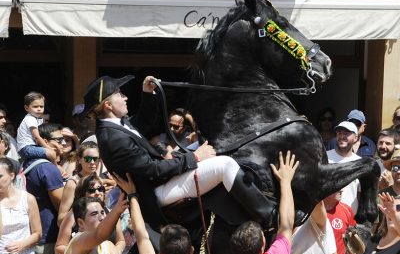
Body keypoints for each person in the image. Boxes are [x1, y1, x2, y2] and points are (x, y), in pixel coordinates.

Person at [83, 75, 299, 234]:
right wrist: (195, 157)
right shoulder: (112, 138)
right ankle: (271, 217)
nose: (125, 97)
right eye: (120, 94)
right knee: (223, 165)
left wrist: (147, 94)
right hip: (155, 192)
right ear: (109, 104)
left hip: (161, 181)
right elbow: (153, 169)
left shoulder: (115, 126)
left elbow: (143, 123)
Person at [23, 123, 66, 254]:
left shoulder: (29, 164)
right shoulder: (47, 168)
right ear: (45, 142)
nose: (63, 143)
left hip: (33, 237)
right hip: (49, 239)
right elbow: (61, 204)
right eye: (59, 139)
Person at [55, 174, 125, 254]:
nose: (97, 193)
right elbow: (59, 248)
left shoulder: (111, 212)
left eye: (100, 189)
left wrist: (114, 253)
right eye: (92, 190)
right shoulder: (73, 214)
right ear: (81, 194)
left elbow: (120, 241)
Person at [326, 121, 361, 214]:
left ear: (355, 138)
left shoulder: (360, 162)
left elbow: (360, 193)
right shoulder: (324, 157)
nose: (342, 136)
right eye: (339, 133)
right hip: (326, 216)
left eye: (346, 133)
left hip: (350, 218)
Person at [16, 92, 57, 164]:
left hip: (29, 147)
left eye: (41, 106)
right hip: (27, 148)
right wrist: (48, 147)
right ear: (26, 108)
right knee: (52, 153)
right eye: (35, 107)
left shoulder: (36, 118)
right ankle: (56, 168)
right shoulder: (30, 119)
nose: (39, 109)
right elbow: (37, 137)